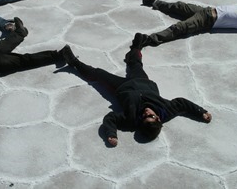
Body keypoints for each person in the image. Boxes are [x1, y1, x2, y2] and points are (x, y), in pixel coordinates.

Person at [61, 36, 212, 147]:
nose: (147, 112)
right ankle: (136, 47)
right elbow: (182, 103)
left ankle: (73, 62)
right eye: (151, 116)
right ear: (158, 118)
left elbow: (111, 119)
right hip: (142, 82)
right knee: (135, 63)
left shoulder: (131, 120)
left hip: (122, 87)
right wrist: (200, 111)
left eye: (145, 117)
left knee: (98, 75)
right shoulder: (167, 110)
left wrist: (111, 134)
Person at [136, 0, 237, 50]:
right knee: (178, 6)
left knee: (180, 28)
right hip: (206, 10)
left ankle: (151, 39)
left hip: (208, 21)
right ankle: (155, 2)